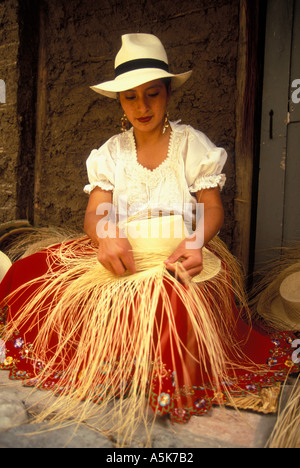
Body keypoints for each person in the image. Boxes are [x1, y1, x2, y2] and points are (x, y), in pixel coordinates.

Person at [0, 33, 298, 444]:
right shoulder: (110, 153)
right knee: (33, 272)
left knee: (172, 302)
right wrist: (105, 235)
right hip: (123, 252)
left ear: (169, 93)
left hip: (178, 251)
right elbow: (96, 212)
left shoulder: (192, 145)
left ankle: (140, 365)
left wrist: (196, 243)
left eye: (152, 94)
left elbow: (212, 209)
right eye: (130, 98)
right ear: (119, 102)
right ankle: (108, 358)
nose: (142, 107)